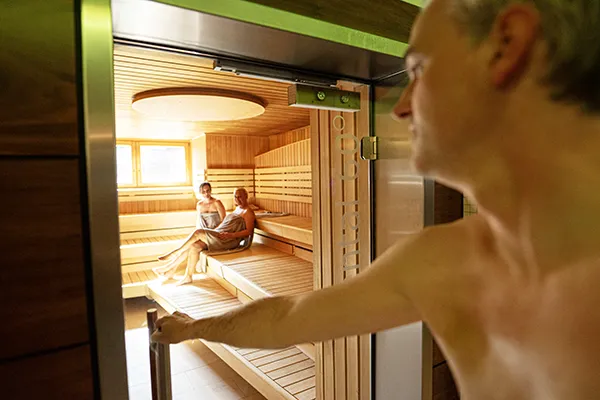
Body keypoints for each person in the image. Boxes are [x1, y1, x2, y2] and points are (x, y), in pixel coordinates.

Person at [152, 1, 600, 398]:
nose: (401, 107)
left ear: (506, 46)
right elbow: (289, 316)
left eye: (419, 70)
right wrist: (192, 327)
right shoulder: (446, 260)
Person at [156, 188, 255, 285]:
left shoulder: (248, 212)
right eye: (235, 197)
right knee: (194, 246)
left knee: (198, 232)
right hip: (220, 234)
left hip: (228, 240)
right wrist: (214, 231)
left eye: (240, 197)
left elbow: (248, 231)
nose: (237, 199)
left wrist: (230, 235)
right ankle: (188, 276)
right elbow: (225, 225)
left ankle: (176, 252)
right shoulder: (238, 209)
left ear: (246, 196)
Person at [153, 182, 226, 281]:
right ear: (200, 192)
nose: (206, 193)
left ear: (211, 190)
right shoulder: (199, 205)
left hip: (215, 234)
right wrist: (199, 235)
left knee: (190, 245)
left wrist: (210, 232)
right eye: (203, 191)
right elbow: (199, 222)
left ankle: (170, 264)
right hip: (204, 234)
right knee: (192, 245)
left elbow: (224, 222)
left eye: (208, 191)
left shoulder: (217, 202)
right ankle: (171, 270)